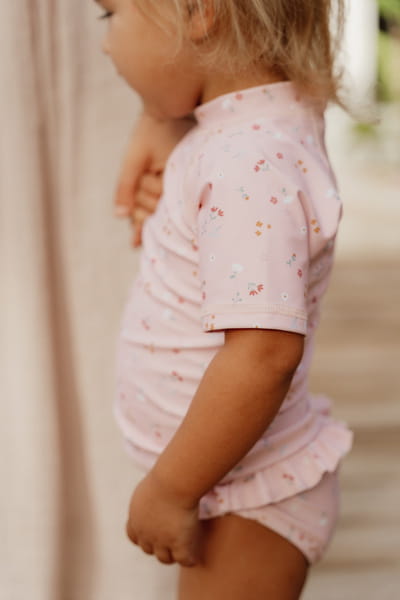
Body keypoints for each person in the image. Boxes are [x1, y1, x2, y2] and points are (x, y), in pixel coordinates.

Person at [96, 1, 354, 598]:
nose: (106, 44)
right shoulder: (252, 126)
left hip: (249, 496)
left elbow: (263, 354)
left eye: (110, 15)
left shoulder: (249, 163)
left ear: (201, 12)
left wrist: (172, 489)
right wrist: (161, 120)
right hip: (223, 478)